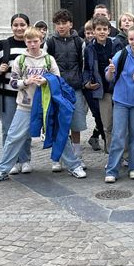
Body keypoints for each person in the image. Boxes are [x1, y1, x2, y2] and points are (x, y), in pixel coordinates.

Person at [0, 27, 86, 183]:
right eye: (29, 41)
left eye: (35, 41)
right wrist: (26, 81)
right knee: (14, 137)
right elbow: (13, 82)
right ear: (25, 42)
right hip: (25, 106)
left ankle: (74, 165)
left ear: (41, 41)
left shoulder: (48, 59)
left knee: (60, 135)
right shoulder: (20, 60)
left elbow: (58, 79)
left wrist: (46, 80)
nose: (32, 44)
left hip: (47, 106)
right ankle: (1, 169)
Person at [0, 13, 33, 174]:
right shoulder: (3, 44)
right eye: (16, 25)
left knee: (25, 129)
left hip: (26, 94)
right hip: (6, 95)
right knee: (8, 128)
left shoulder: (32, 43)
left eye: (22, 24)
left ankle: (25, 160)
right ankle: (10, 161)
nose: (19, 28)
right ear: (11, 27)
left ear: (27, 25)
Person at [103, 24, 134, 183]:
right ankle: (112, 169)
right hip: (121, 100)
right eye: (131, 39)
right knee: (118, 135)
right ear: (127, 40)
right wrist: (111, 71)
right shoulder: (121, 55)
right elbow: (109, 77)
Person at [45, 9, 87, 170]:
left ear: (71, 24)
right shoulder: (50, 42)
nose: (61, 26)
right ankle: (58, 157)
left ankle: (77, 156)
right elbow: (46, 63)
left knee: (76, 124)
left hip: (75, 87)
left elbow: (83, 63)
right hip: (57, 89)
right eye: (58, 23)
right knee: (58, 123)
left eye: (64, 23)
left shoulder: (79, 42)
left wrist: (82, 81)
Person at [83, 16, 115, 153]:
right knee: (106, 123)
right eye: (98, 29)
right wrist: (86, 83)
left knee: (120, 123)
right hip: (101, 89)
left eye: (104, 29)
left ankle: (122, 153)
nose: (102, 32)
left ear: (109, 31)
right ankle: (110, 151)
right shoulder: (89, 48)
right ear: (94, 32)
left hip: (116, 88)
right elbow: (86, 68)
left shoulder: (116, 44)